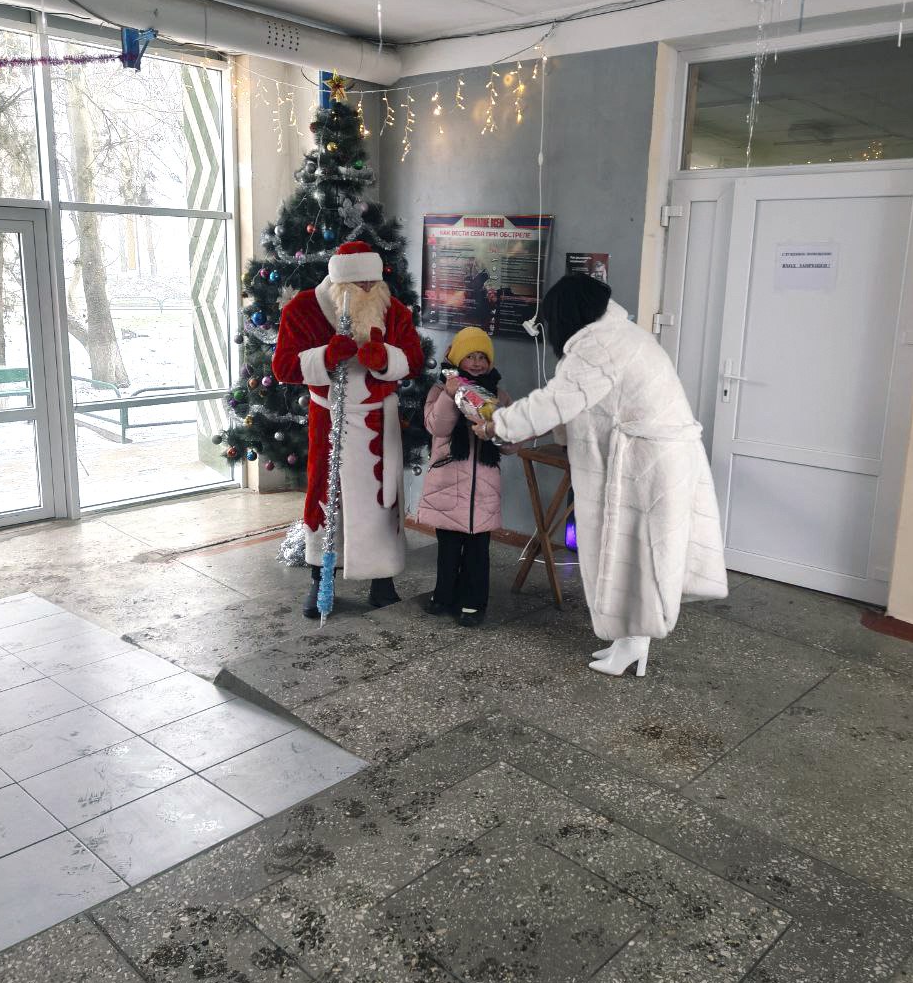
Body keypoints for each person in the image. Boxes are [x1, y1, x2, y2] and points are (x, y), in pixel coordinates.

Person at [473, 273, 727, 676]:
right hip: (651, 459)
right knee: (633, 555)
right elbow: (580, 404)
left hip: (644, 465)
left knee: (637, 556)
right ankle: (629, 643)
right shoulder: (618, 335)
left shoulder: (600, 345)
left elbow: (556, 401)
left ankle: (634, 645)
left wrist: (497, 426)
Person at [272, 240, 424, 617]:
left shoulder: (392, 309)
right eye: (361, 284)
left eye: (374, 283)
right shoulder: (303, 309)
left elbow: (414, 358)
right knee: (325, 497)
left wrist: (386, 359)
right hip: (330, 419)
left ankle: (382, 578)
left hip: (378, 421)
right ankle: (320, 576)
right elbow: (283, 366)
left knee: (382, 499)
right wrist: (324, 356)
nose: (370, 290)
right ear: (341, 283)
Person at [417, 328, 514, 627]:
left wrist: (500, 428)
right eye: (470, 356)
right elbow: (438, 427)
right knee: (447, 550)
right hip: (448, 486)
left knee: (477, 552)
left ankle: (474, 602)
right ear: (458, 358)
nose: (476, 362)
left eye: (482, 357)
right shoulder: (440, 391)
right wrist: (450, 395)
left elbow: (511, 443)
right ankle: (443, 595)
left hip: (483, 490)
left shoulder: (499, 396)